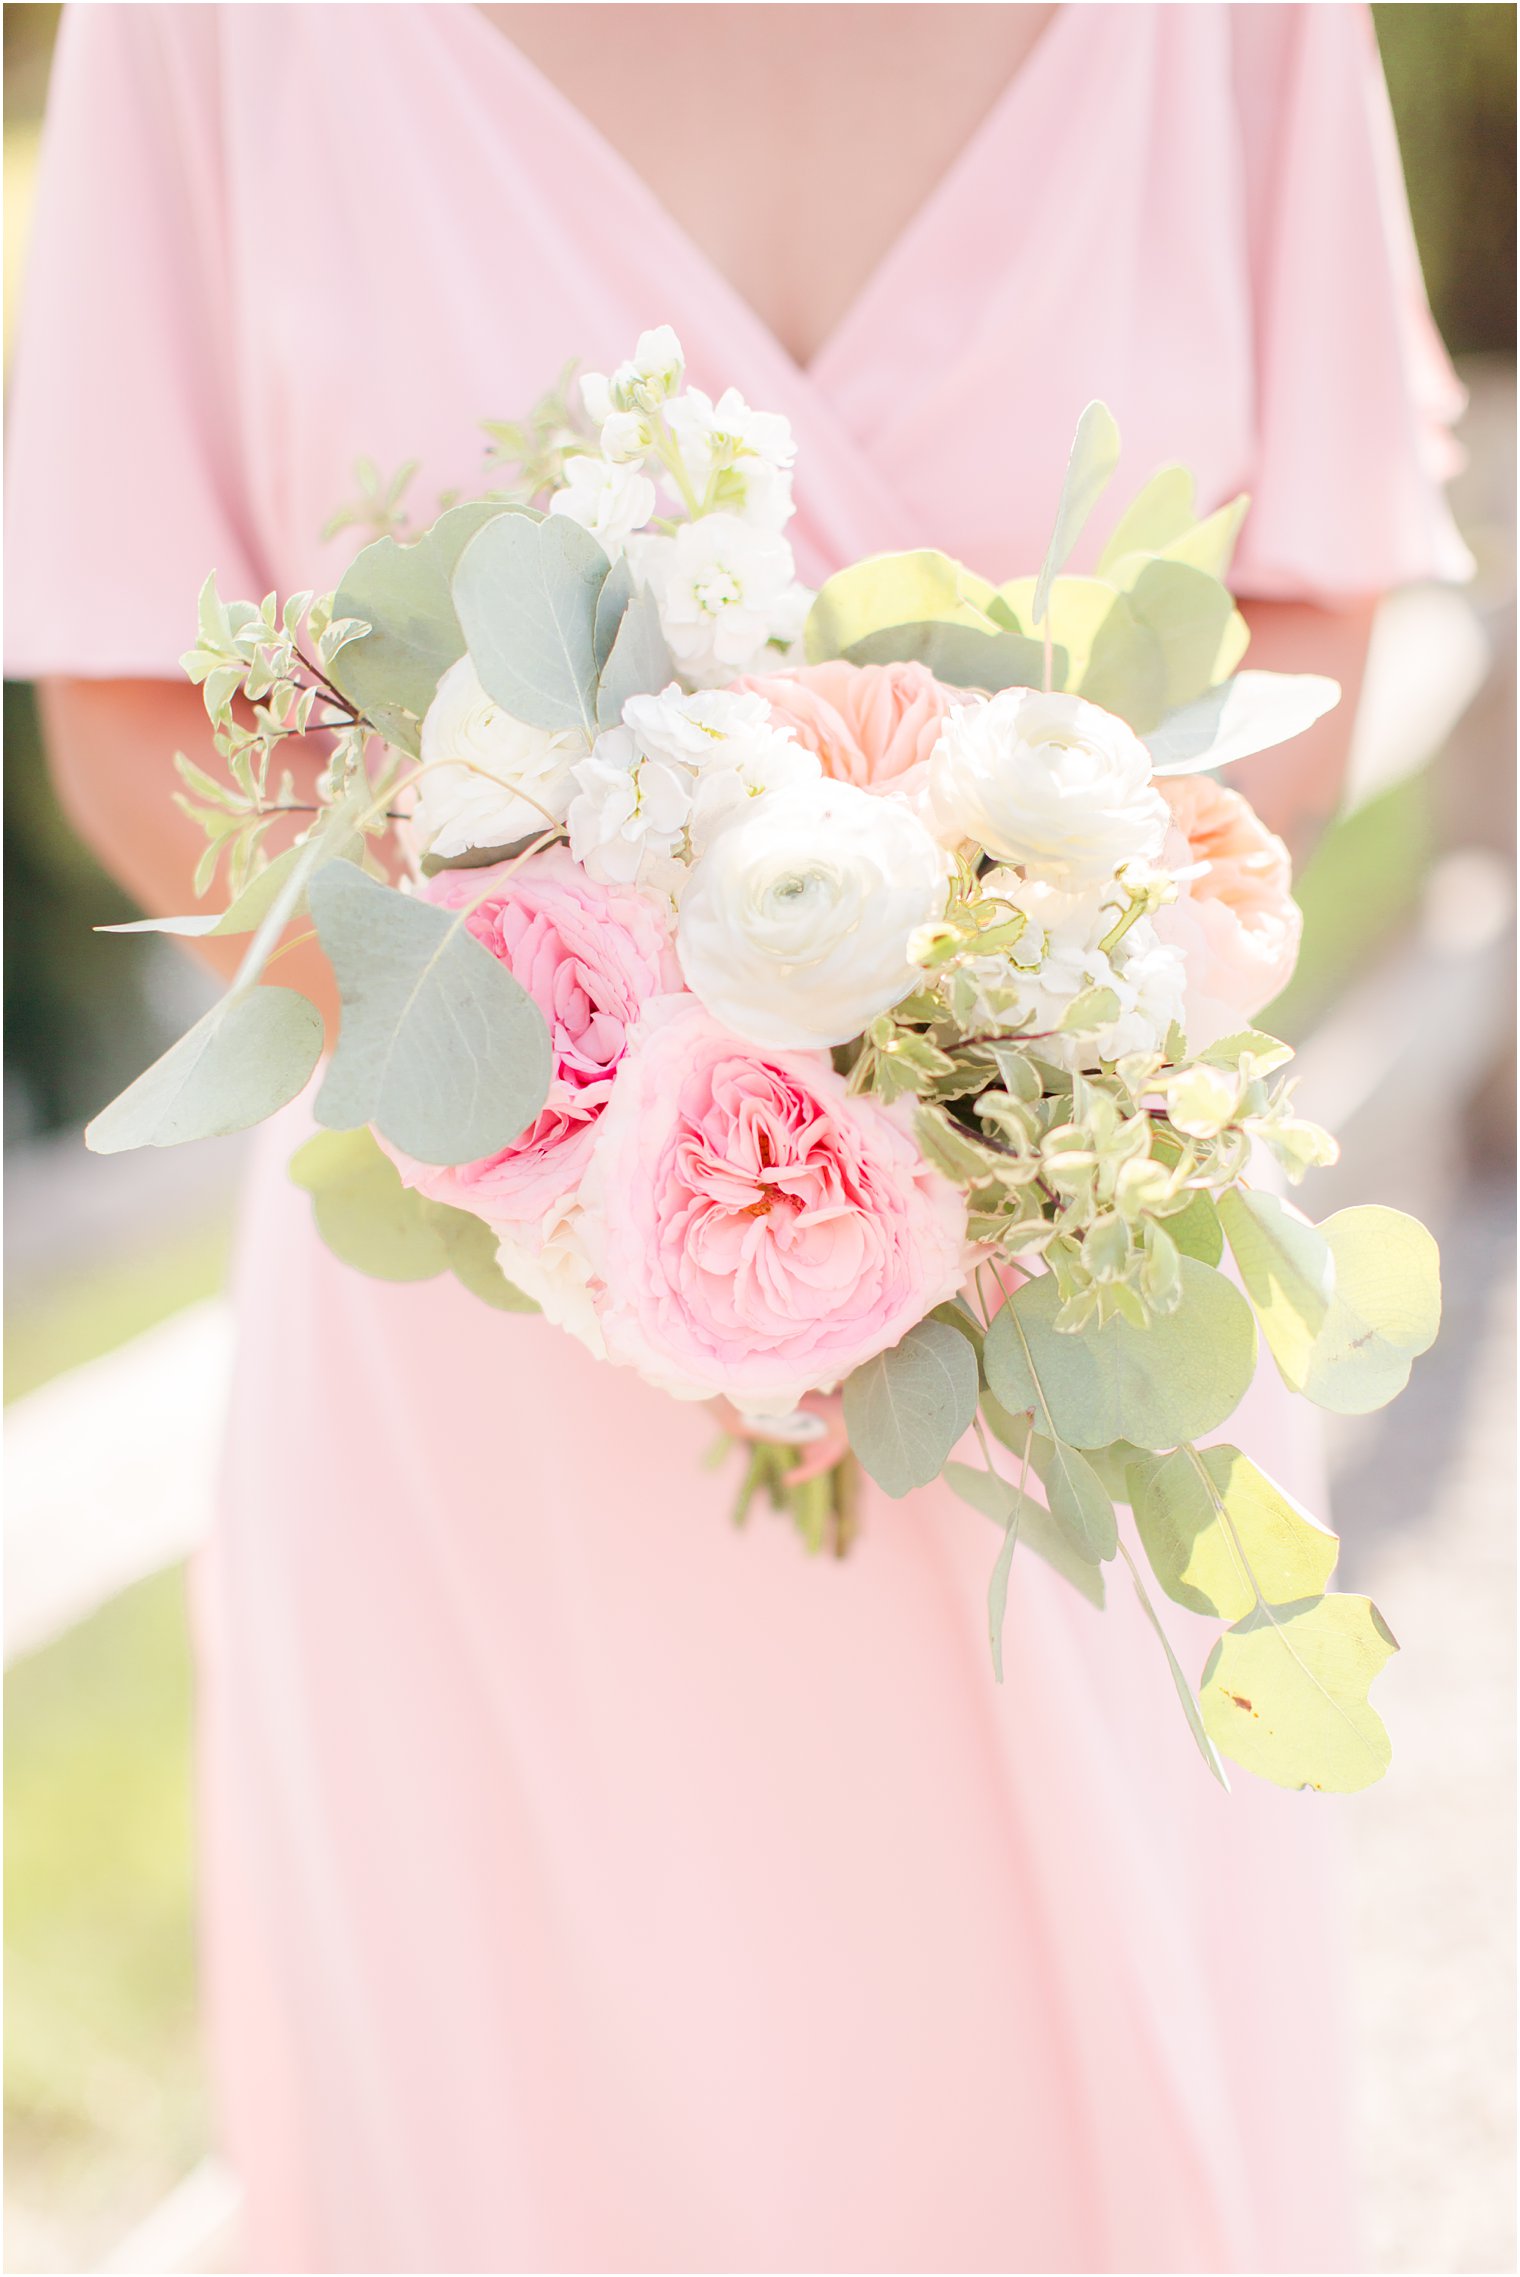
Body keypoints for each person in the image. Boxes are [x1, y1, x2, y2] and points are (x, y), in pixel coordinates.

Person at [6, 6, 1471, 2269]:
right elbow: (133, 703)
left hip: (1051, 1362)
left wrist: (956, 1068)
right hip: (476, 1407)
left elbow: (1300, 635)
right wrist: (606, 1150)